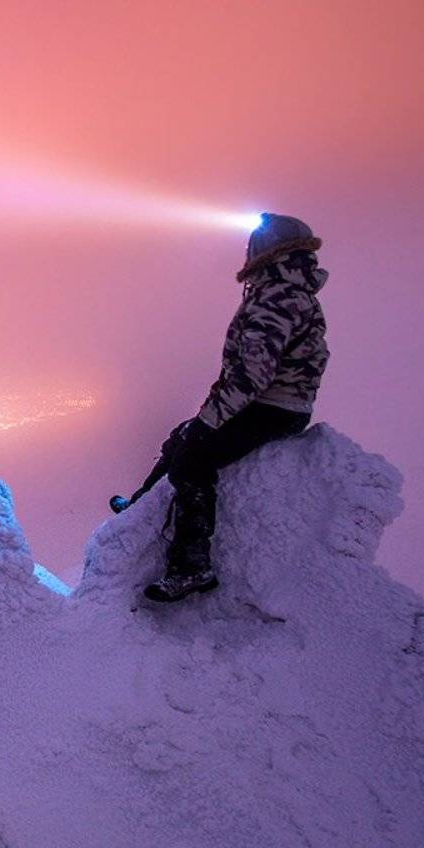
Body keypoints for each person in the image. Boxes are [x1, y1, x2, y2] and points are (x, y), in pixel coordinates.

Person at [113, 213, 329, 603]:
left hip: (272, 406)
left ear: (266, 252)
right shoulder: (285, 291)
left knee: (193, 457)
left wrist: (211, 418)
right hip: (278, 403)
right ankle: (138, 507)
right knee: (181, 435)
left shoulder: (276, 298)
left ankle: (193, 565)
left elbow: (252, 376)